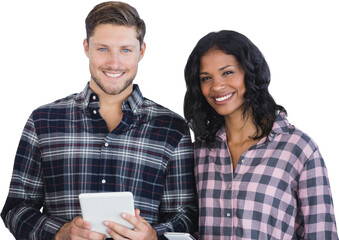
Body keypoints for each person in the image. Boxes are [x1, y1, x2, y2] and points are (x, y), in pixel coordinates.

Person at [1, 1, 197, 239]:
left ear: (141, 51)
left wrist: (154, 236)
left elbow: (186, 214)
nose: (114, 63)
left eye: (126, 50)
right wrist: (60, 233)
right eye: (103, 49)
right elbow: (16, 208)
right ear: (86, 47)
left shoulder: (172, 129)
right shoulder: (43, 121)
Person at [183, 30, 338, 239]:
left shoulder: (298, 149)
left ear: (250, 73)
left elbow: (321, 234)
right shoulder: (198, 152)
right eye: (205, 78)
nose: (216, 86)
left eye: (227, 72)